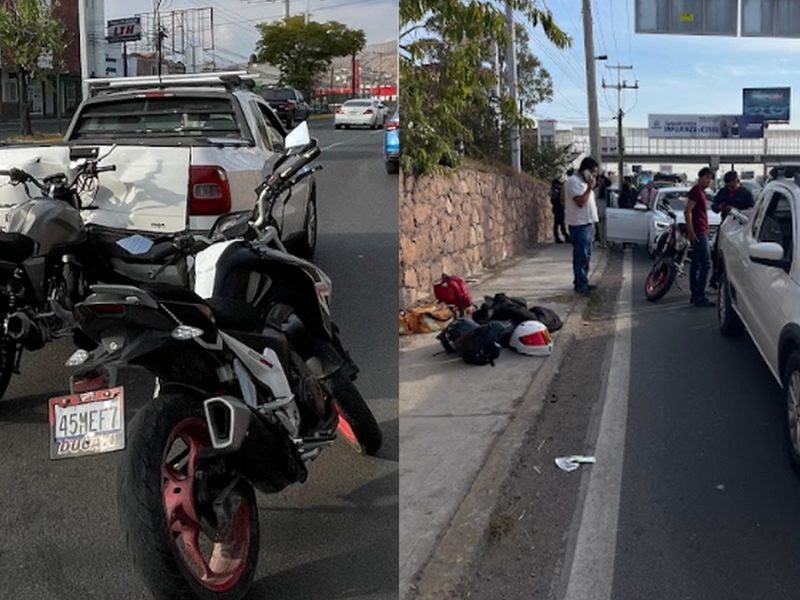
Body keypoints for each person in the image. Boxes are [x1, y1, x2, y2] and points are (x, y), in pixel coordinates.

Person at [708, 170, 755, 288]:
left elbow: (752, 210)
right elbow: (714, 205)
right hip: (725, 226)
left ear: (737, 181)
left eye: (732, 186)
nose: (731, 189)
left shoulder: (746, 194)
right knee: (716, 252)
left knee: (739, 254)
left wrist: (736, 210)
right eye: (728, 186)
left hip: (741, 228)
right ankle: (716, 277)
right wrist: (719, 207)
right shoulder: (723, 192)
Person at [566, 157, 600, 296]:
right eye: (593, 172)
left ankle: (583, 281)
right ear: (585, 170)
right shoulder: (573, 182)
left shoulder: (585, 183)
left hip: (588, 222)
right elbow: (580, 202)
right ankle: (580, 285)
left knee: (587, 255)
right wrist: (589, 189)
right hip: (578, 224)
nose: (594, 176)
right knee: (581, 255)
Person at [685, 167, 716, 307]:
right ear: (701, 177)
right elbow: (687, 211)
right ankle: (699, 295)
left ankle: (695, 294)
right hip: (699, 232)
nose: (709, 181)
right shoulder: (696, 191)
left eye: (711, 178)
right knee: (706, 263)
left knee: (697, 263)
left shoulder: (702, 192)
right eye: (707, 178)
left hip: (702, 230)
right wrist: (691, 231)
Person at [550, 176, 569, 243]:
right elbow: (553, 200)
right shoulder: (555, 190)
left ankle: (561, 236)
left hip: (558, 207)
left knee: (559, 223)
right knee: (560, 223)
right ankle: (563, 236)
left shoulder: (555, 190)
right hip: (558, 207)